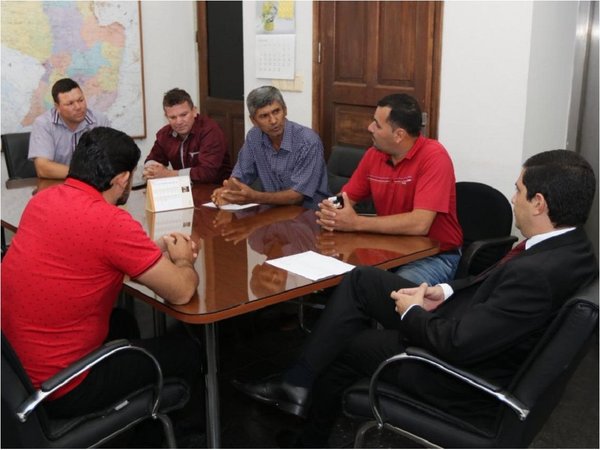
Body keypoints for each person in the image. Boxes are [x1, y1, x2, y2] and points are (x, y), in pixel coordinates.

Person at [233, 149, 598, 447]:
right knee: (362, 280)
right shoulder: (573, 249)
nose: (513, 197)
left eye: (518, 190)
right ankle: (298, 384)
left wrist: (412, 313)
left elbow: (457, 344)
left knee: (353, 344)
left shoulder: (535, 275)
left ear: (539, 203)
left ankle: (309, 436)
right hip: (469, 323)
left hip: (459, 375)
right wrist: (443, 291)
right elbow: (491, 283)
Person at [2, 127, 202, 422]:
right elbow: (182, 291)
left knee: (123, 321)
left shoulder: (42, 201)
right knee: (187, 352)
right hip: (61, 388)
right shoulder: (111, 223)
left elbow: (87, 259)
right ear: (122, 179)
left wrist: (150, 250)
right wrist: (184, 261)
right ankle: (180, 432)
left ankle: (136, 418)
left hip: (15, 370)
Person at [316, 93, 463, 286]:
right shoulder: (373, 155)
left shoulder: (435, 157)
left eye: (377, 124)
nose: (369, 128)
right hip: (387, 248)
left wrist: (355, 222)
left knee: (393, 292)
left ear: (399, 135)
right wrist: (332, 211)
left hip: (435, 256)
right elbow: (344, 199)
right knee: (344, 281)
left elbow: (420, 224)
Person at [211, 86, 329, 210]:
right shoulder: (254, 137)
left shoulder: (308, 141)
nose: (273, 121)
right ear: (253, 120)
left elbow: (297, 196)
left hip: (309, 213)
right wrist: (227, 191)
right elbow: (240, 175)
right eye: (264, 116)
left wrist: (255, 197)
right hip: (271, 212)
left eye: (276, 111)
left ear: (285, 110)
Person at [143, 88, 232, 183]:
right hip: (183, 189)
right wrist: (151, 169)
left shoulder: (210, 130)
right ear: (166, 117)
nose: (179, 122)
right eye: (173, 117)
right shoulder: (164, 134)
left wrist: (168, 174)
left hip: (215, 189)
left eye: (184, 115)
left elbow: (208, 172)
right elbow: (152, 159)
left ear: (194, 111)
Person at [28, 78, 110, 179]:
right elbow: (43, 169)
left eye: (81, 100)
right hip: (57, 186)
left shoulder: (100, 120)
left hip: (93, 186)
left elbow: (109, 159)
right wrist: (85, 174)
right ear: (57, 107)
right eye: (70, 103)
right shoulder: (43, 124)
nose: (78, 107)